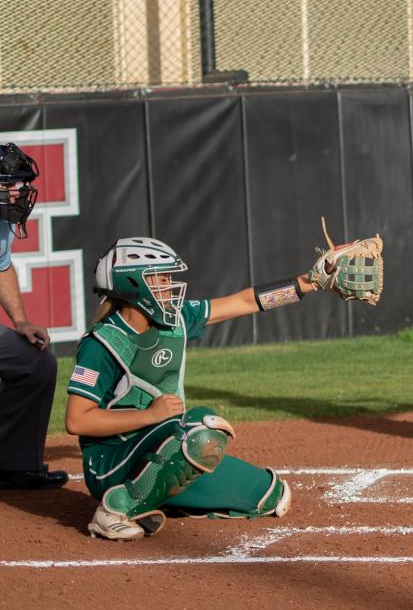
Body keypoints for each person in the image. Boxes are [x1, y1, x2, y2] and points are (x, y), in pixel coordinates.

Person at [66, 231, 381, 540]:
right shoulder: (103, 343)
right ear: (132, 286)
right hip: (111, 462)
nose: (169, 286)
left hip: (164, 447)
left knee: (271, 495)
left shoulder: (174, 318)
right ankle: (115, 509)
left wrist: (308, 283)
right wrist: (149, 415)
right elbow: (77, 420)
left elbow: (244, 302)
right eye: (159, 279)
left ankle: (153, 497)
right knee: (201, 431)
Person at [0, 143, 67, 490]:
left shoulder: (3, 222)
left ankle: (13, 464)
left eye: (21, 184)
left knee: (35, 362)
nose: (20, 192)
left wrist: (21, 321)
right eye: (11, 183)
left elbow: (2, 267)